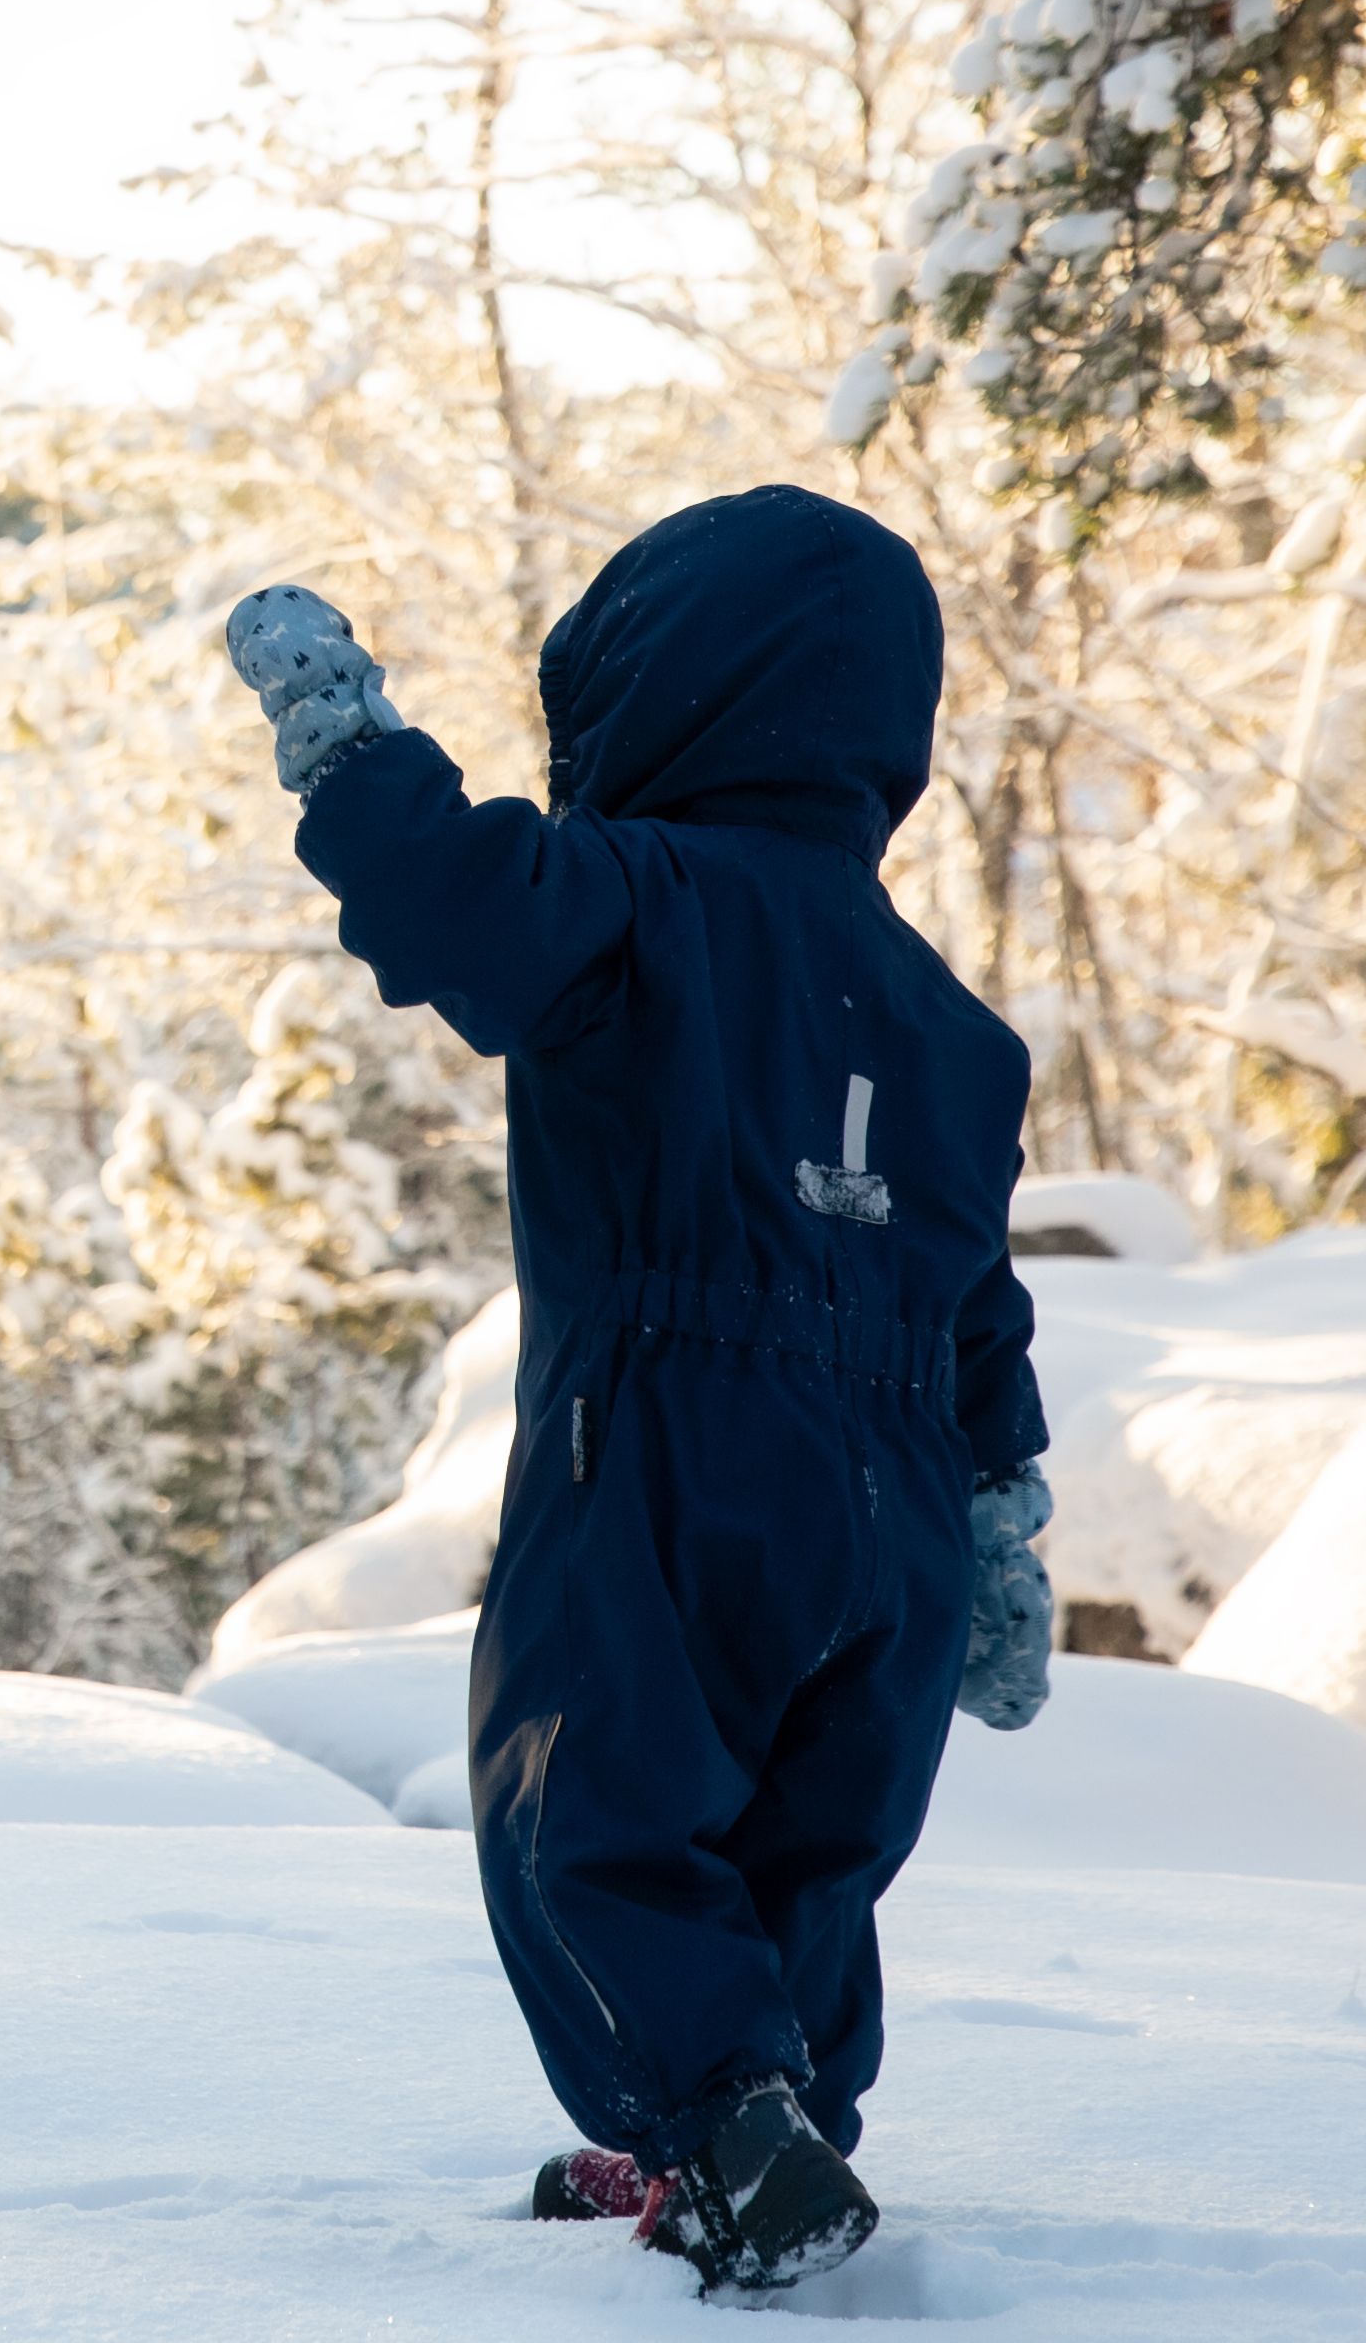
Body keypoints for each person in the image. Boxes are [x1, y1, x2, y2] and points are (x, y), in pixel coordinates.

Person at [223, 491, 1058, 2294]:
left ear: (662, 696)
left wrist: (346, 744)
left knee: (586, 1804)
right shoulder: (947, 1023)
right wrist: (998, 1518)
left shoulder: (642, 897)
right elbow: (974, 1289)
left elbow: (456, 907)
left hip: (672, 1441)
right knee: (809, 1838)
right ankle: (773, 2128)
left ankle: (718, 2129)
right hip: (894, 1497)